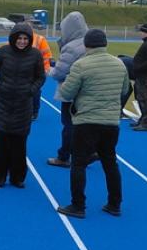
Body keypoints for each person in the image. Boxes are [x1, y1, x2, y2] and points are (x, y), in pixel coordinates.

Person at [56, 29, 131, 218]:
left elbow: (67, 93)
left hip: (86, 120)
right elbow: (124, 90)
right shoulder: (119, 64)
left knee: (79, 163)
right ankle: (114, 204)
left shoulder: (81, 65)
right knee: (110, 162)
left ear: (86, 45)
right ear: (105, 44)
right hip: (111, 122)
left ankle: (78, 205)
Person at [0, 23, 45, 188]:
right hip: (1, 104)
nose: (22, 41)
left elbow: (40, 77)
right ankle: (0, 175)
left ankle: (17, 177)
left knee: (19, 145)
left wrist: (31, 91)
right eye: (19, 38)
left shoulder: (35, 55)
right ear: (13, 38)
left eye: (26, 38)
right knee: (0, 144)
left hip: (23, 105)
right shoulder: (3, 52)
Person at [46, 11, 89, 168]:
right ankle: (88, 152)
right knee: (85, 124)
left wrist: (49, 70)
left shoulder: (71, 47)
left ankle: (64, 156)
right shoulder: (91, 43)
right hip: (89, 93)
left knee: (69, 125)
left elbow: (60, 73)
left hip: (71, 93)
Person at [28, 29, 53, 120]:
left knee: (35, 91)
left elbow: (47, 55)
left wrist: (45, 69)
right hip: (22, 70)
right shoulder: (18, 38)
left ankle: (34, 112)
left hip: (37, 71)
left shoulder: (40, 39)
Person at [117, 54, 136, 119]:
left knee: (128, 89)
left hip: (121, 65)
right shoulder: (143, 73)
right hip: (120, 67)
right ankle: (118, 111)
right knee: (127, 89)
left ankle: (119, 110)